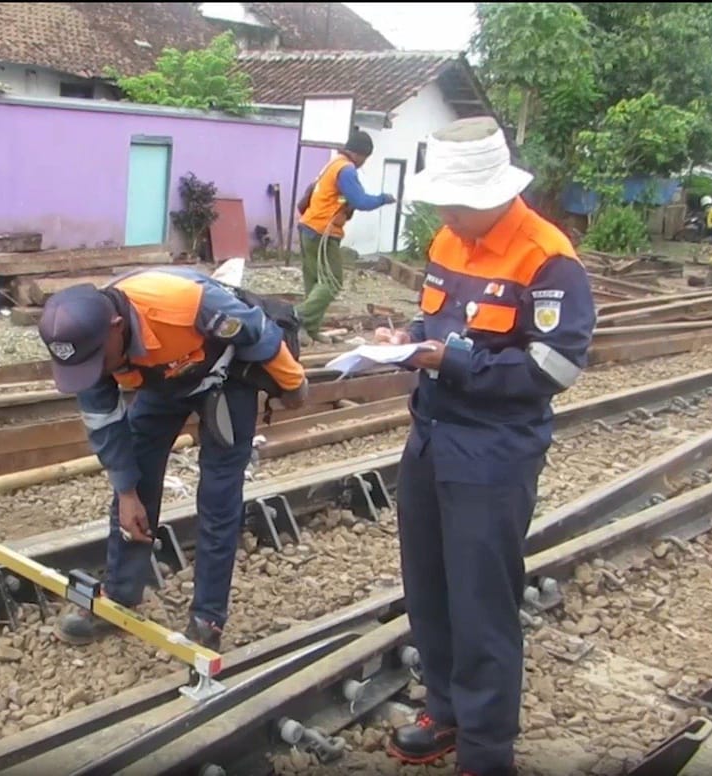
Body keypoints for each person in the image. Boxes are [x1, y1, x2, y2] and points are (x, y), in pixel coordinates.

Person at [375, 117, 596, 776]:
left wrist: (454, 363)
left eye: (454, 201)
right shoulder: (449, 237)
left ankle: (486, 748)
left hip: (493, 450)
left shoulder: (546, 256)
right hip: (431, 437)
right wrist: (407, 339)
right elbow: (439, 321)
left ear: (494, 193)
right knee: (430, 587)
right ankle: (443, 709)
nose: (444, 213)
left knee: (482, 600)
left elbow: (556, 367)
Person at [37, 267, 309, 649]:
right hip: (163, 384)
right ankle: (120, 596)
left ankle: (207, 618)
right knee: (135, 490)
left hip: (225, 379)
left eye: (99, 360)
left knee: (218, 496)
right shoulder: (86, 352)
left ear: (116, 326)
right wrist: (127, 491)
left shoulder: (184, 304)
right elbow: (106, 428)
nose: (95, 372)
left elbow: (260, 333)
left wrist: (293, 384)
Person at [295, 129, 396, 343]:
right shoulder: (347, 169)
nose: (363, 163)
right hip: (323, 232)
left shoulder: (333, 164)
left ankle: (309, 330)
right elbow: (361, 201)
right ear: (360, 154)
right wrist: (383, 199)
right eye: (365, 158)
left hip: (308, 226)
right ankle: (295, 320)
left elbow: (335, 198)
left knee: (314, 283)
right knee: (332, 282)